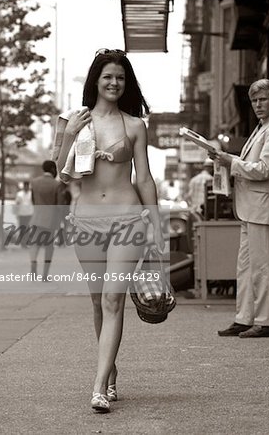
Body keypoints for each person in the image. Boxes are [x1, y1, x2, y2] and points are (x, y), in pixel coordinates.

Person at [55, 49, 165, 413]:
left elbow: (145, 179)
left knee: (113, 299)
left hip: (127, 219)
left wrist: (156, 226)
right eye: (108, 77)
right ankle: (111, 370)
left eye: (120, 77)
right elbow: (61, 172)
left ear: (126, 82)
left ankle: (99, 386)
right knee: (98, 302)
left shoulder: (135, 125)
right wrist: (69, 136)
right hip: (86, 221)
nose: (114, 82)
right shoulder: (74, 120)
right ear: (96, 82)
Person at [210, 79, 269, 338]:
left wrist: (231, 163)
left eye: (263, 99)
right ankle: (244, 318)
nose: (257, 104)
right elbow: (253, 163)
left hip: (263, 207)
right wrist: (227, 159)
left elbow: (266, 169)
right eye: (254, 100)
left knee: (263, 267)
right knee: (245, 267)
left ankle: (266, 322)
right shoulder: (264, 127)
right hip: (251, 207)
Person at [28, 160, 64, 281]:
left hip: (36, 217)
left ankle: (33, 264)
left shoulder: (34, 182)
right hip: (50, 220)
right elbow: (59, 205)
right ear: (53, 170)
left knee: (34, 244)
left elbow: (33, 201)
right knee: (49, 246)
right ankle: (45, 275)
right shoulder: (56, 185)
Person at [14, 181, 34, 248]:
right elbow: (17, 204)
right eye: (25, 186)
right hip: (21, 214)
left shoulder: (31, 194)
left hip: (29, 213)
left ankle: (26, 242)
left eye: (27, 186)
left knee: (27, 228)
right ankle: (23, 243)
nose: (26, 187)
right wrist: (16, 213)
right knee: (22, 228)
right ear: (23, 186)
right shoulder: (19, 194)